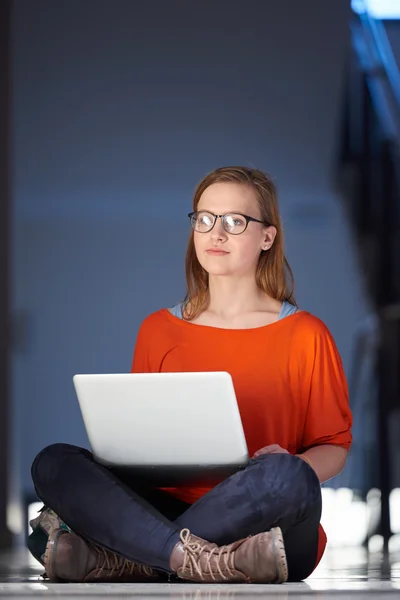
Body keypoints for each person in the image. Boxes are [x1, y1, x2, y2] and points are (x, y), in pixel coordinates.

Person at [29, 166, 352, 584]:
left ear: (266, 238)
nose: (216, 234)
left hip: (261, 517)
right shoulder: (158, 329)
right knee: (53, 464)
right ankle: (194, 558)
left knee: (290, 478)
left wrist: (293, 463)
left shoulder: (307, 334)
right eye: (204, 219)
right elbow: (137, 442)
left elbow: (334, 447)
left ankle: (134, 556)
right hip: (164, 507)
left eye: (235, 222)